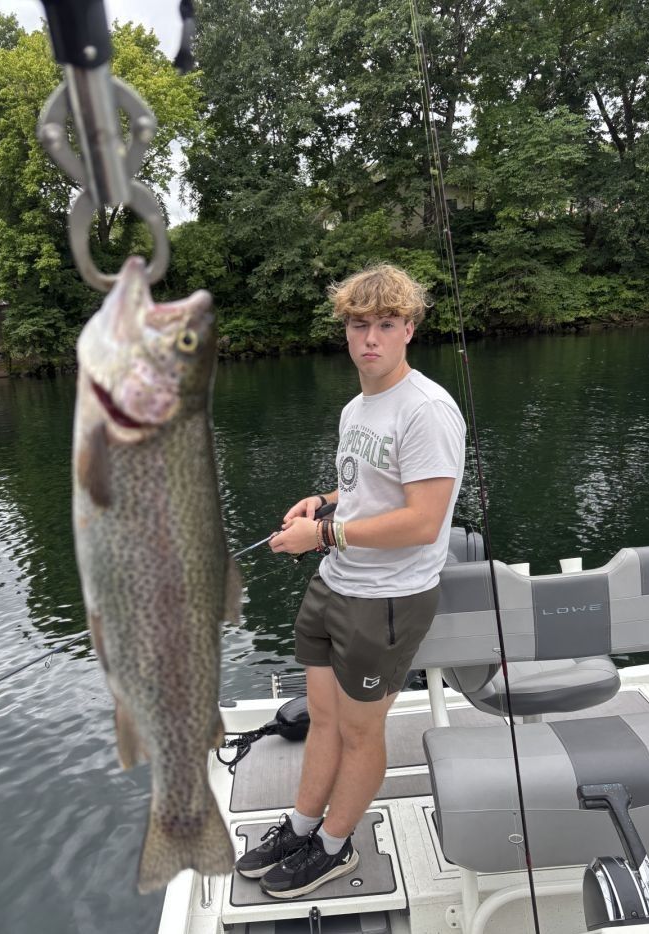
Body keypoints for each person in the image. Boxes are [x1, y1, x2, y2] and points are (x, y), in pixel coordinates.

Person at [234, 263, 466, 899]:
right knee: (326, 720)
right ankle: (303, 824)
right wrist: (323, 502)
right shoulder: (359, 407)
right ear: (345, 331)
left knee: (363, 731)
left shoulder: (426, 411)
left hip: (385, 601)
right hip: (336, 586)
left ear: (408, 330)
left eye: (385, 325)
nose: (371, 338)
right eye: (359, 324)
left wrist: (325, 536)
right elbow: (370, 487)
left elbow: (423, 520)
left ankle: (334, 847)